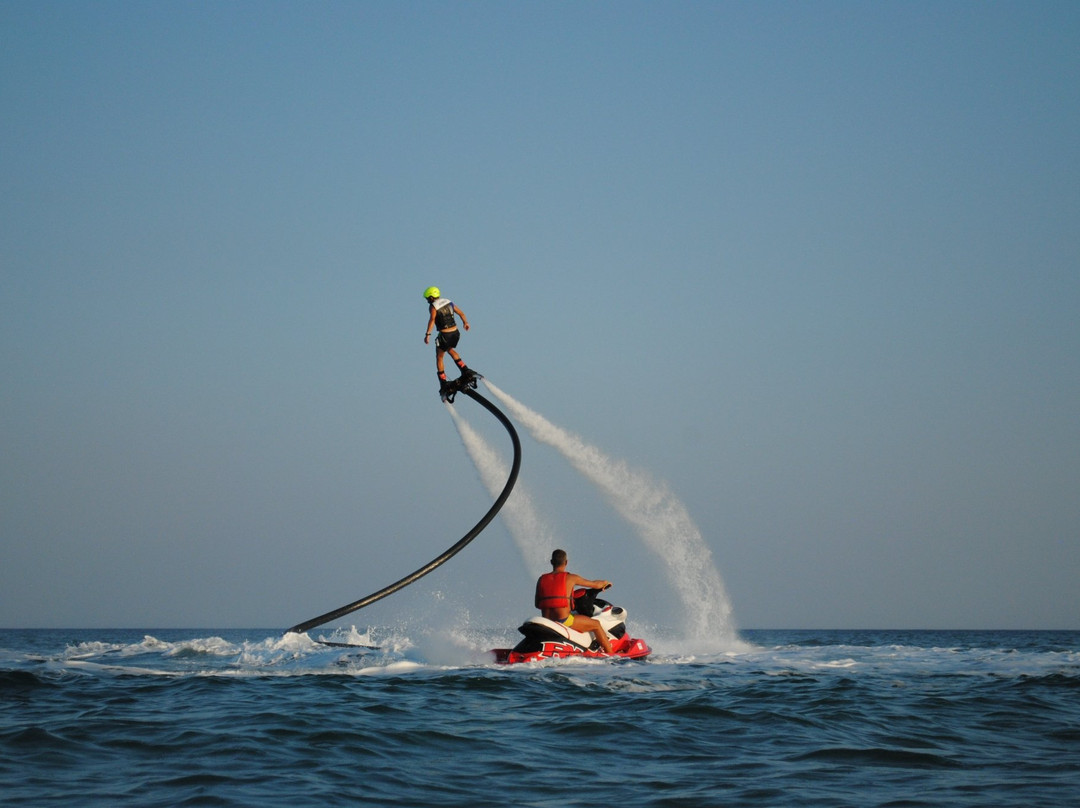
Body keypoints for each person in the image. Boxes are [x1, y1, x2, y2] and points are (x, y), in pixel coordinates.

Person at [534, 548, 613, 654]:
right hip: (564, 620)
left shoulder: (541, 579)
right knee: (596, 624)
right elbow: (595, 584)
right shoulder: (571, 578)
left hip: (548, 621)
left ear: (551, 562)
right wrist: (605, 583)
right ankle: (612, 656)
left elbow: (537, 604)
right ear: (566, 562)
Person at [422, 286, 479, 399]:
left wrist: (428, 334)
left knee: (439, 357)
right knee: (450, 350)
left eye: (428, 298)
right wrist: (465, 323)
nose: (427, 301)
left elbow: (432, 320)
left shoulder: (433, 306)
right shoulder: (449, 302)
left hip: (445, 335)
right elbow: (461, 313)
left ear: (432, 297)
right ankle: (465, 369)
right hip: (455, 333)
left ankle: (443, 382)